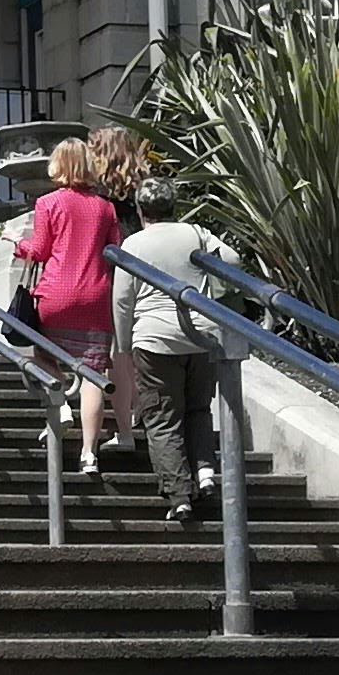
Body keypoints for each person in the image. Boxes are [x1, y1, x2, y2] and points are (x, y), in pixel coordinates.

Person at [114, 184, 237, 523]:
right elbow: (232, 259)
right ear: (175, 205)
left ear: (140, 209)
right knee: (198, 408)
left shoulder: (134, 244)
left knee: (162, 417)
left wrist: (123, 345)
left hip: (155, 339)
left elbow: (123, 299)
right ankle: (206, 472)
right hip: (201, 335)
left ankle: (180, 496)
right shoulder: (196, 233)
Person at [10, 135, 126, 474]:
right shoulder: (105, 207)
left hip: (56, 293)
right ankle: (89, 454)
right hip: (95, 296)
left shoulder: (48, 203)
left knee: (43, 353)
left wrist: (17, 242)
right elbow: (115, 250)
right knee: (93, 374)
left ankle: (59, 404)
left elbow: (39, 251)